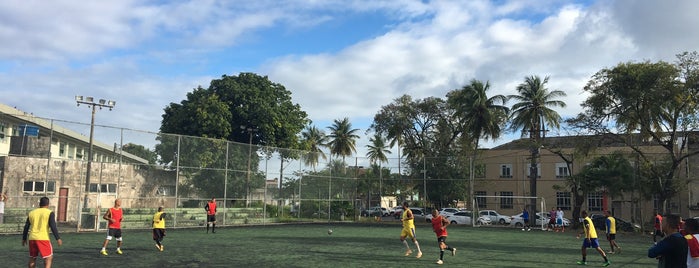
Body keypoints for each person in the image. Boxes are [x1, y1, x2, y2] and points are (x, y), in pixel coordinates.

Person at [22, 197, 63, 268]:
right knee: (48, 258)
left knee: (32, 258)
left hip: (32, 238)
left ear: (39, 204)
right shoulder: (49, 213)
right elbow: (53, 226)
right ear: (48, 204)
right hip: (43, 238)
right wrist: (58, 238)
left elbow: (26, 226)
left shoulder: (32, 213)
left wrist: (24, 238)